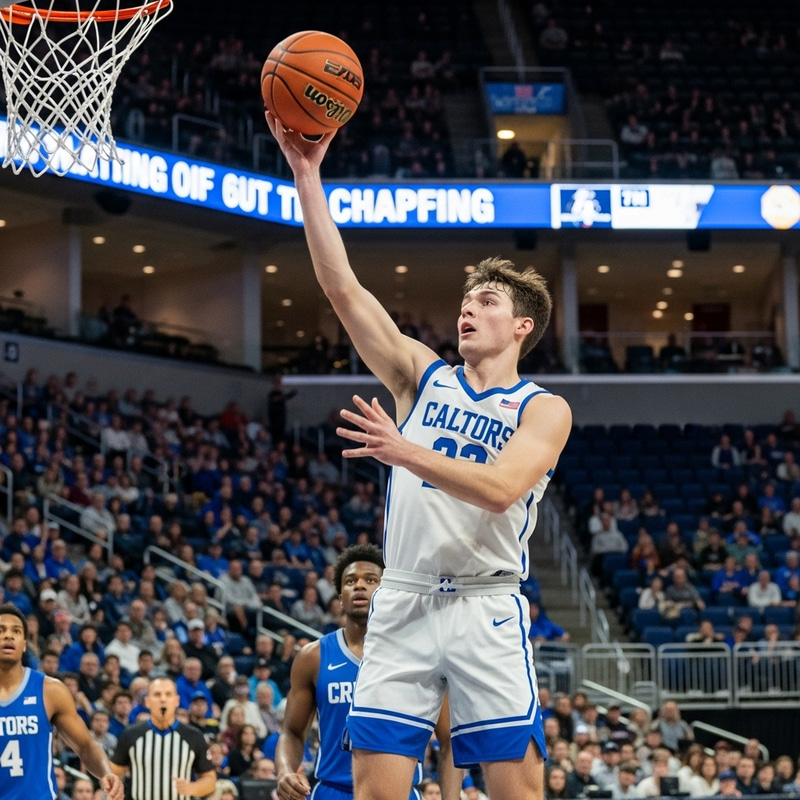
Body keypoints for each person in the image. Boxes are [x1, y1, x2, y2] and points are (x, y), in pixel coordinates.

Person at [267, 108, 572, 800]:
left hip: (486, 605)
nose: (468, 308)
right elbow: (342, 289)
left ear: (520, 325)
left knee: (517, 792)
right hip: (401, 599)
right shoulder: (421, 375)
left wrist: (406, 451)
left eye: (486, 300)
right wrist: (307, 175)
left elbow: (500, 489)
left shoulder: (542, 408)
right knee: (374, 793)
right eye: (465, 300)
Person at [275, 544, 459, 800]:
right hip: (332, 792)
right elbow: (292, 732)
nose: (359, 585)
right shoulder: (313, 657)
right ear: (340, 596)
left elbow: (449, 741)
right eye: (350, 581)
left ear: (387, 592)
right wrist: (285, 771)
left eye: (370, 580)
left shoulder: (421, 656)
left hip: (399, 793)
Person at [0, 603, 124, 800]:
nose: (8, 635)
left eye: (16, 631)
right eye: (1, 630)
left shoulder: (50, 690)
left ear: (24, 644)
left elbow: (85, 745)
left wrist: (106, 772)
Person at [110, 676, 216, 800]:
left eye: (168, 694)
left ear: (177, 700)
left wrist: (192, 788)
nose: (163, 699)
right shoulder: (130, 734)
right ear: (147, 701)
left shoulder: (194, 736)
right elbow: (113, 773)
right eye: (157, 694)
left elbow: (210, 780)